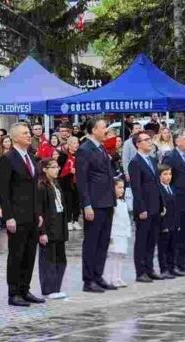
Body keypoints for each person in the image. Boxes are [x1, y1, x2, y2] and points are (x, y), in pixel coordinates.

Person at [0, 123, 45, 307]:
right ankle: (14, 292)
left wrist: (39, 212)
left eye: (29, 132)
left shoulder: (31, 157)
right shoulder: (8, 159)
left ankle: (25, 289)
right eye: (25, 133)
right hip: (17, 215)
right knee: (16, 254)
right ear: (15, 137)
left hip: (32, 215)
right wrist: (8, 216)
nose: (29, 135)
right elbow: (4, 190)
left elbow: (35, 188)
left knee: (29, 254)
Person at [77, 118, 118, 292]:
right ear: (94, 130)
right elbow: (82, 180)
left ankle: (98, 275)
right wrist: (86, 205)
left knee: (103, 241)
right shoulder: (85, 150)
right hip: (94, 203)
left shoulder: (101, 147)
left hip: (107, 201)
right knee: (92, 242)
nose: (106, 130)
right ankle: (88, 280)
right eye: (103, 127)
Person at [162, 129, 185, 273]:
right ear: (177, 141)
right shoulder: (170, 157)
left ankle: (183, 262)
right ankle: (172, 264)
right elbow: (165, 180)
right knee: (175, 234)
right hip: (176, 201)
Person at [129, 131, 163, 282]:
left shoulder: (153, 160)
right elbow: (136, 188)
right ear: (138, 144)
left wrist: (161, 204)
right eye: (146, 140)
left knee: (152, 240)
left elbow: (157, 185)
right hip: (144, 208)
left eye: (150, 139)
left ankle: (149, 268)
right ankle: (140, 271)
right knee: (142, 240)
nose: (150, 142)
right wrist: (141, 208)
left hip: (155, 206)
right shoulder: (135, 163)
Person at [37, 157, 69, 299]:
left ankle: (57, 287)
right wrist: (42, 232)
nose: (57, 169)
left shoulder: (56, 184)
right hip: (49, 228)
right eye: (53, 167)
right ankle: (48, 289)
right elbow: (40, 212)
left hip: (59, 226)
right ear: (45, 169)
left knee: (60, 258)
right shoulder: (41, 187)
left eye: (57, 167)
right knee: (48, 260)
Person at [157, 164, 185, 279]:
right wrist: (163, 225)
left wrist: (177, 223)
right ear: (159, 176)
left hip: (173, 223)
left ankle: (172, 267)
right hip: (164, 224)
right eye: (165, 174)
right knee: (163, 248)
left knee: (173, 246)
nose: (168, 177)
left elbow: (175, 208)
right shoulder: (159, 189)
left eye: (170, 174)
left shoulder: (172, 188)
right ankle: (164, 269)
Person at [105, 178, 131, 288]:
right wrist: (110, 236)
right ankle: (111, 278)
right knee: (113, 257)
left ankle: (118, 277)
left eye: (123, 188)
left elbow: (126, 219)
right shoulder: (112, 204)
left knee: (120, 256)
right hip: (114, 234)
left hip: (122, 234)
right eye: (119, 187)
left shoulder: (123, 203)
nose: (122, 190)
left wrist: (128, 232)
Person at [59, 136, 81, 231]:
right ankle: (68, 221)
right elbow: (59, 171)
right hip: (66, 183)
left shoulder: (80, 155)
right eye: (73, 143)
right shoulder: (63, 156)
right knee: (68, 202)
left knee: (77, 202)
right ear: (69, 145)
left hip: (77, 183)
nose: (76, 145)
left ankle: (75, 220)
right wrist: (69, 170)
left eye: (77, 143)